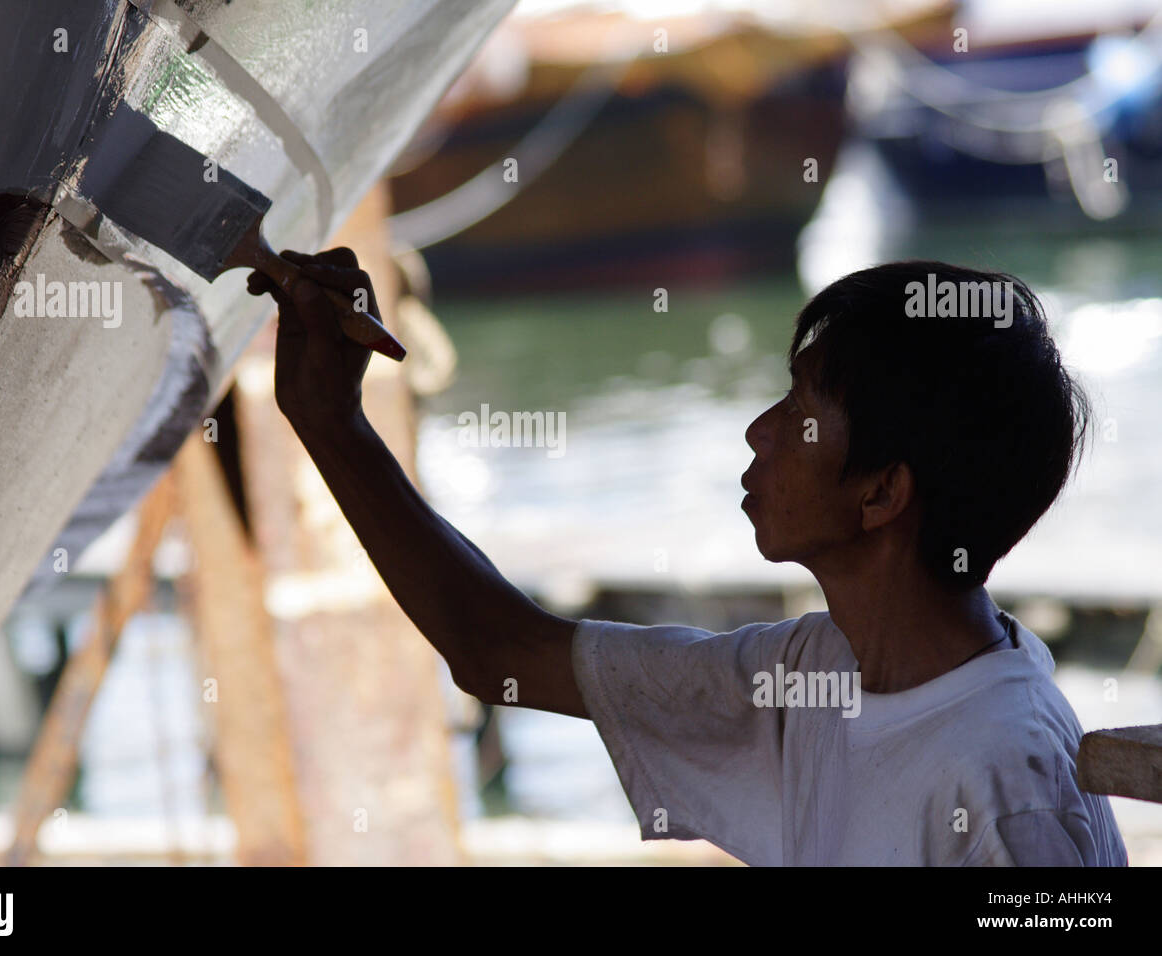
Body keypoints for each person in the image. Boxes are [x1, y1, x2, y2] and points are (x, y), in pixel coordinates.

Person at [247, 252, 1127, 866]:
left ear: (883, 494)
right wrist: (331, 425)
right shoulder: (816, 672)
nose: (760, 431)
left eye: (802, 408)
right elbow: (500, 656)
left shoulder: (1008, 783)